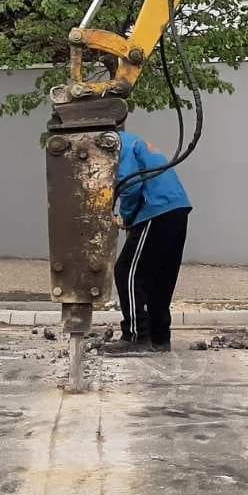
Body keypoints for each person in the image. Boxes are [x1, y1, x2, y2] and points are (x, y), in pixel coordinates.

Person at [103, 131, 191, 356]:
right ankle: (159, 337)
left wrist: (127, 216)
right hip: (177, 207)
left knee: (127, 272)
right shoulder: (135, 141)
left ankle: (135, 336)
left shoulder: (117, 145)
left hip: (156, 208)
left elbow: (130, 184)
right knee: (160, 276)